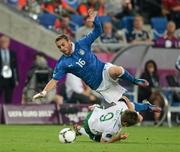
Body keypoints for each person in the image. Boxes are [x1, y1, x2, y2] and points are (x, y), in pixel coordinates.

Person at [33, 9, 160, 113]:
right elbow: (54, 80)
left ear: (68, 41)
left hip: (104, 70)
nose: (61, 48)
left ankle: (135, 81)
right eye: (59, 47)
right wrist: (44, 92)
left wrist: (95, 20)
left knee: (117, 70)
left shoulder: (82, 43)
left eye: (63, 44)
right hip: (99, 86)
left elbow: (98, 31)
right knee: (127, 107)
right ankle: (147, 106)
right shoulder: (63, 63)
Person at [73, 96, 146, 143]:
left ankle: (97, 107)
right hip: (89, 123)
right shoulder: (112, 129)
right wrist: (118, 138)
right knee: (97, 139)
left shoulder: (123, 106)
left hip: (96, 112)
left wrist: (131, 109)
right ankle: (80, 130)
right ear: (125, 124)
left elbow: (124, 98)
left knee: (140, 118)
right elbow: (103, 142)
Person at [138, 60, 164, 124]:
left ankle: (156, 120)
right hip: (146, 96)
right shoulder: (144, 75)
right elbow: (144, 86)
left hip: (154, 97)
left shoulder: (156, 76)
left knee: (156, 101)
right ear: (146, 67)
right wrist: (152, 91)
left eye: (152, 67)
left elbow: (157, 86)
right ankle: (158, 119)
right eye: (149, 67)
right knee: (156, 96)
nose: (150, 68)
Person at [0, 35, 19, 104]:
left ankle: (6, 113)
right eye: (3, 42)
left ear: (9, 43)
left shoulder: (12, 54)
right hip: (0, 78)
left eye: (6, 42)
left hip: (9, 79)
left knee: (8, 99)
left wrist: (16, 79)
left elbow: (15, 68)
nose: (4, 43)